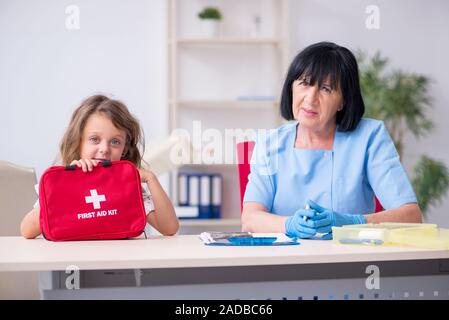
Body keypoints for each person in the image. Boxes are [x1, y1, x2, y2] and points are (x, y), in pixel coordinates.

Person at [242, 42, 422, 239]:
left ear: (343, 100)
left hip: (351, 262)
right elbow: (250, 219)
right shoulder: (269, 143)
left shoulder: (369, 137)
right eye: (304, 83)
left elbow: (411, 216)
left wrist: (354, 223)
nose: (311, 98)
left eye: (326, 89)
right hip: (284, 261)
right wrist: (288, 224)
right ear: (291, 87)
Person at [20, 94, 179, 238]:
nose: (104, 149)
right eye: (95, 139)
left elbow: (169, 228)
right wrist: (67, 184)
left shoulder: (129, 186)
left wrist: (150, 178)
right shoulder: (60, 184)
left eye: (115, 142)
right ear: (79, 142)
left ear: (124, 149)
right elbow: (27, 230)